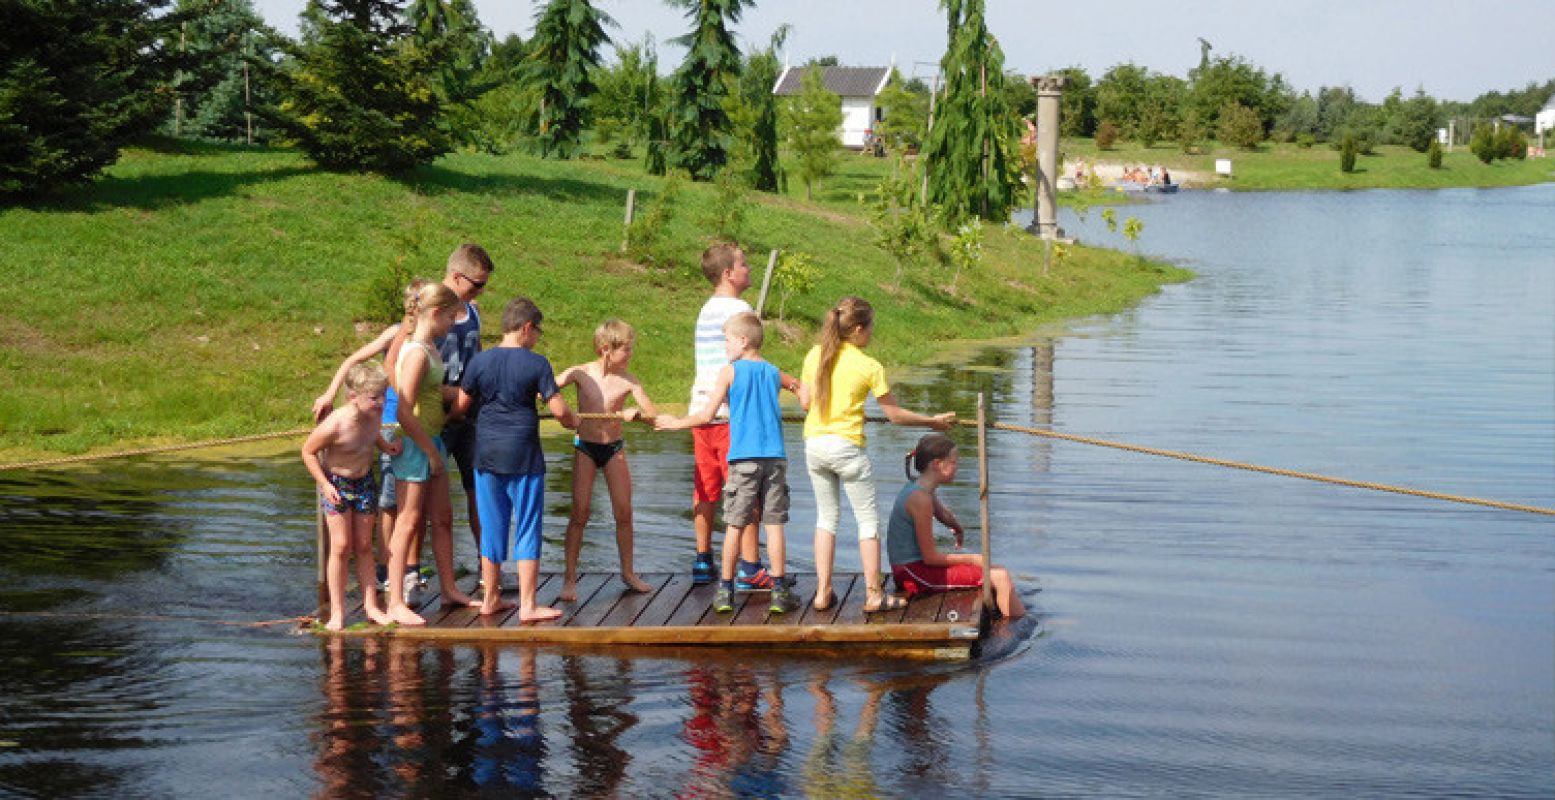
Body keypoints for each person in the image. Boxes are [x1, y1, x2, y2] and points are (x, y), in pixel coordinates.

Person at [799, 296, 954, 614]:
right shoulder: (869, 366)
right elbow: (894, 415)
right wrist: (932, 421)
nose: (871, 334)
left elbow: (805, 403)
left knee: (826, 518)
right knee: (867, 521)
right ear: (857, 330)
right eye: (870, 328)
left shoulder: (815, 354)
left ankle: (822, 593)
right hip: (846, 448)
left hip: (814, 444)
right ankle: (873, 594)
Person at [659, 312, 804, 614]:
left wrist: (675, 423)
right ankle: (779, 592)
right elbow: (797, 385)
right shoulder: (773, 371)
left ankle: (725, 591)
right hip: (775, 458)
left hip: (743, 459)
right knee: (774, 525)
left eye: (727, 340)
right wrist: (805, 400)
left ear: (743, 340)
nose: (725, 346)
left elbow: (705, 415)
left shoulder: (729, 372)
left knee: (735, 524)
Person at [453, 297, 578, 621]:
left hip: (486, 455)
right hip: (524, 456)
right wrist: (575, 421)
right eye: (537, 331)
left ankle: (491, 598)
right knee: (526, 527)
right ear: (526, 328)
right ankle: (527, 605)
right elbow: (560, 411)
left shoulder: (479, 362)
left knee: (492, 528)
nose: (537, 337)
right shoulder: (537, 364)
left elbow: (461, 407)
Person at [312, 278, 427, 600]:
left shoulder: (430, 337)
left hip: (409, 425)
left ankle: (406, 568)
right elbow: (352, 361)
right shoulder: (396, 333)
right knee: (390, 502)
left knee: (410, 503)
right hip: (387, 420)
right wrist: (330, 393)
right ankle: (385, 571)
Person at [384, 282, 478, 626]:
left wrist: (468, 392)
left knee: (442, 518)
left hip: (434, 438)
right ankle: (394, 600)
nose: (453, 325)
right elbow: (404, 411)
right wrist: (430, 452)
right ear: (435, 314)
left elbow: (434, 388)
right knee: (407, 522)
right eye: (451, 318)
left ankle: (449, 589)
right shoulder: (417, 352)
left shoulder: (429, 347)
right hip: (414, 445)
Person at [686, 243, 774, 592]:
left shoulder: (705, 309)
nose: (749, 269)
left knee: (705, 488)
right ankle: (750, 567)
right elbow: (748, 364)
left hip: (700, 411)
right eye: (743, 264)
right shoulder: (740, 309)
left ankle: (703, 560)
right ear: (728, 274)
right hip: (729, 415)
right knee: (745, 491)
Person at [556, 319, 659, 601]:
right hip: (585, 447)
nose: (630, 355)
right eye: (626, 350)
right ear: (606, 349)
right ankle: (569, 579)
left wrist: (636, 412)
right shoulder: (580, 373)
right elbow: (548, 390)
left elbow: (652, 413)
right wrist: (562, 411)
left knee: (624, 512)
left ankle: (628, 573)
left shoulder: (628, 380)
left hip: (613, 448)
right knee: (580, 512)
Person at [301, 363, 402, 630]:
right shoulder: (337, 423)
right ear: (352, 397)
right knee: (342, 545)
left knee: (365, 545)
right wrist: (324, 484)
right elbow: (308, 452)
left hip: (365, 482)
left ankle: (371, 605)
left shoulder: (375, 415)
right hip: (337, 483)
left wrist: (386, 447)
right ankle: (337, 611)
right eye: (374, 397)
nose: (381, 403)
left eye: (383, 395)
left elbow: (372, 436)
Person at [887, 433, 1025, 618]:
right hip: (913, 574)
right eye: (953, 462)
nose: (957, 467)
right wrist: (972, 559)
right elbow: (930, 558)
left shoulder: (920, 487)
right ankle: (1011, 630)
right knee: (999, 576)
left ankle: (1011, 614)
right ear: (937, 464)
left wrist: (957, 528)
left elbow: (943, 513)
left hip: (913, 569)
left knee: (996, 570)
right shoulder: (920, 499)